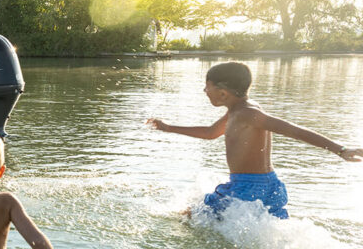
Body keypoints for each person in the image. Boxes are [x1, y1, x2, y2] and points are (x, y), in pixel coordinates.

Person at [147, 61, 362, 218]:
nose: (204, 90)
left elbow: (293, 130)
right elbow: (211, 133)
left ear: (223, 93)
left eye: (207, 85)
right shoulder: (237, 111)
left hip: (247, 187)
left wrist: (340, 149)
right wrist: (168, 128)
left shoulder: (247, 114)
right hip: (270, 186)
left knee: (188, 216)